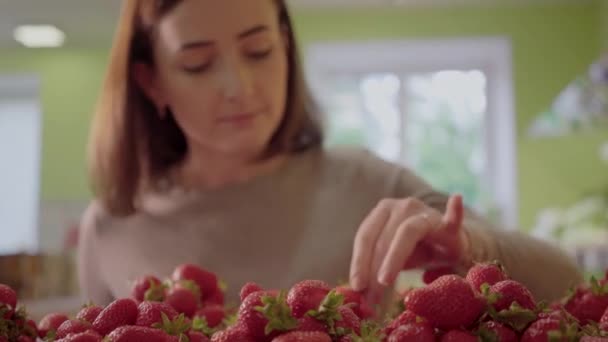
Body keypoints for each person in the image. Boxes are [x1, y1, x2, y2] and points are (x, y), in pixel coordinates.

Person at [78, 0, 582, 310]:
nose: (240, 86)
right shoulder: (109, 229)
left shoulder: (367, 184)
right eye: (198, 64)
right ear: (151, 83)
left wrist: (472, 246)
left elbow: (565, 281)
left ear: (285, 46)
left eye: (259, 52)